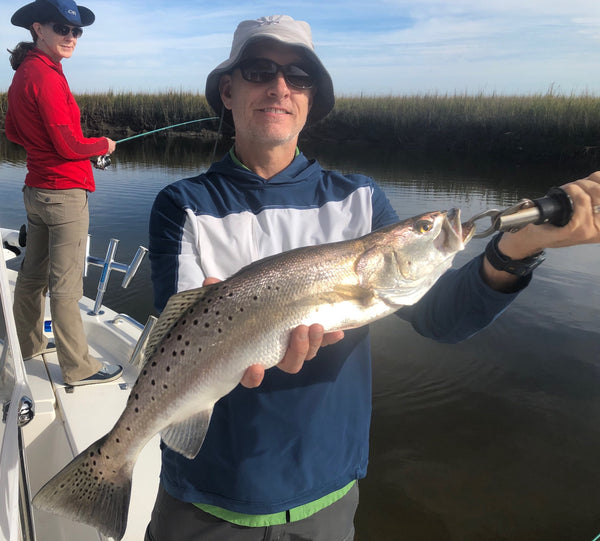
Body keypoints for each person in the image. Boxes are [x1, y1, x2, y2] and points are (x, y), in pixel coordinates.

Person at [146, 15, 600, 541]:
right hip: (207, 495)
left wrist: (517, 249)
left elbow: (442, 319)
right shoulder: (183, 205)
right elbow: (173, 334)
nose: (279, 87)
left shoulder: (361, 200)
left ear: (312, 99)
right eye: (259, 69)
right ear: (228, 89)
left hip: (328, 492)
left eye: (299, 77)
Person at [5, 0, 122, 386]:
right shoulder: (47, 76)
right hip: (63, 194)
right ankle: (78, 367)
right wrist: (102, 144)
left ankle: (27, 344)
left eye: (76, 31)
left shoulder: (25, 72)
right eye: (62, 28)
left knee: (32, 275)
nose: (71, 37)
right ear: (39, 29)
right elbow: (70, 144)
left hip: (36, 190)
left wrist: (41, 151)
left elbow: (12, 133)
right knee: (67, 285)